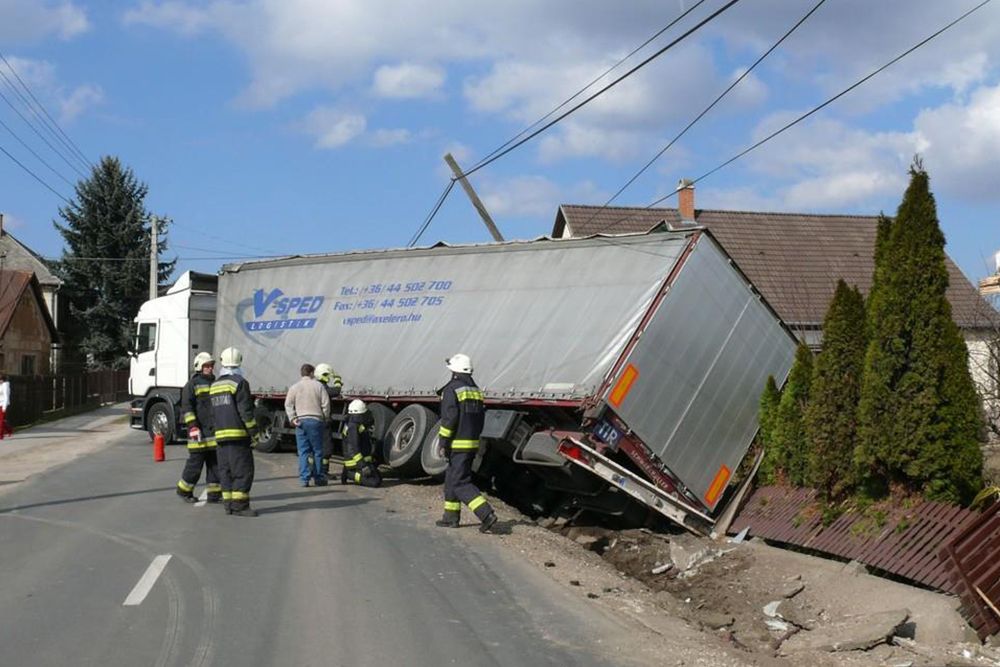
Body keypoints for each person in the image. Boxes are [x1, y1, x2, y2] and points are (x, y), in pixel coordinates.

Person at [436, 353, 498, 533]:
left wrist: (442, 441)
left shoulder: (452, 388)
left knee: (460, 482)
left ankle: (486, 514)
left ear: (454, 370)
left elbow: (449, 418)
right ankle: (450, 517)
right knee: (451, 479)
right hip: (471, 443)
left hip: (457, 444)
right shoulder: (476, 390)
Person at [211, 347, 259, 517]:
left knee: (225, 472)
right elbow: (245, 411)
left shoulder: (214, 385)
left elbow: (213, 412)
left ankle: (228, 505)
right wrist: (254, 431)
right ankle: (240, 506)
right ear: (239, 361)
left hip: (220, 437)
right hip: (238, 436)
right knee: (242, 471)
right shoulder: (240, 383)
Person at [176, 352, 222, 504]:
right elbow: (187, 408)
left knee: (215, 464)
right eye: (207, 366)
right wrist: (193, 426)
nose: (210, 368)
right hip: (198, 431)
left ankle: (214, 494)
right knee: (195, 464)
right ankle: (184, 490)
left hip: (213, 431)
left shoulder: (215, 382)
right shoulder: (192, 385)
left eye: (211, 366)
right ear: (199, 367)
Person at [285, 363, 331, 487]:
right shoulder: (319, 386)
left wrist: (293, 418)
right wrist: (325, 418)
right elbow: (325, 404)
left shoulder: (295, 387)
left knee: (303, 451)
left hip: (300, 422)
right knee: (317, 451)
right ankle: (319, 478)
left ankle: (304, 479)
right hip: (316, 421)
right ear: (311, 373)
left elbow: (288, 404)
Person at [340, 399, 382, 487]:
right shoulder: (353, 427)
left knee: (378, 477)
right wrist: (363, 466)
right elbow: (353, 450)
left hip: (356, 462)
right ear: (360, 414)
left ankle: (348, 472)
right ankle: (350, 475)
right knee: (375, 482)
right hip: (355, 464)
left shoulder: (353, 423)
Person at [314, 362, 342, 476]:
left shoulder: (314, 386)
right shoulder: (322, 387)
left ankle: (314, 470)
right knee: (326, 448)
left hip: (315, 419)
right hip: (323, 420)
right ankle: (323, 472)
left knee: (315, 446)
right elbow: (336, 391)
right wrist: (337, 379)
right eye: (327, 375)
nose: (328, 378)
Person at [0, 373, 12, 439]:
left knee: (1, 421)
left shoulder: (5, 385)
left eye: (0, 380)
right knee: (2, 420)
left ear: (3, 380)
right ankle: (9, 430)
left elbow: (6, 397)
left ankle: (1, 435)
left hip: (3, 405)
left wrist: (4, 407)